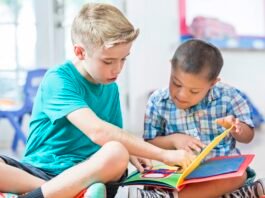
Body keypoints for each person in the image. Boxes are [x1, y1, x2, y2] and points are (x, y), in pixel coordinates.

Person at [0, 3, 195, 198]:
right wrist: (164, 154)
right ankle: (66, 193)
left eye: (123, 59)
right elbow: (98, 131)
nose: (117, 69)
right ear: (80, 52)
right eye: (108, 61)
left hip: (89, 174)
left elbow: (113, 137)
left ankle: (43, 194)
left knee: (117, 152)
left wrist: (133, 150)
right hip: (40, 170)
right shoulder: (58, 79)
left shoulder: (110, 88)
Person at [138, 39, 265, 198]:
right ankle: (245, 194)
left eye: (194, 91)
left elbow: (248, 136)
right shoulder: (157, 101)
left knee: (239, 176)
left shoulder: (230, 97)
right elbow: (149, 142)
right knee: (152, 180)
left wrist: (236, 128)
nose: (181, 95)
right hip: (178, 174)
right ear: (171, 67)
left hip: (219, 173)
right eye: (176, 83)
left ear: (213, 83)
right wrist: (174, 140)